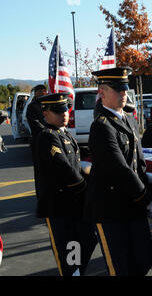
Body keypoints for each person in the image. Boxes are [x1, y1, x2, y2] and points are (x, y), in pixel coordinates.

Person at [84, 67, 152, 276]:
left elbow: (139, 162)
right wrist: (147, 199)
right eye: (117, 90)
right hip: (110, 209)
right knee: (120, 268)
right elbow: (119, 168)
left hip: (132, 205)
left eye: (125, 89)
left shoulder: (128, 119)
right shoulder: (101, 126)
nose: (123, 94)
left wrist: (146, 193)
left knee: (146, 256)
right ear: (102, 93)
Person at [34, 92, 97, 276]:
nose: (64, 114)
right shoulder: (47, 136)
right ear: (45, 113)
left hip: (74, 204)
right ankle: (72, 272)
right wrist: (87, 190)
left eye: (65, 110)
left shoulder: (64, 133)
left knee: (86, 239)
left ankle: (76, 271)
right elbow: (65, 169)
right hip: (58, 205)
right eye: (58, 111)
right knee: (69, 245)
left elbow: (75, 166)